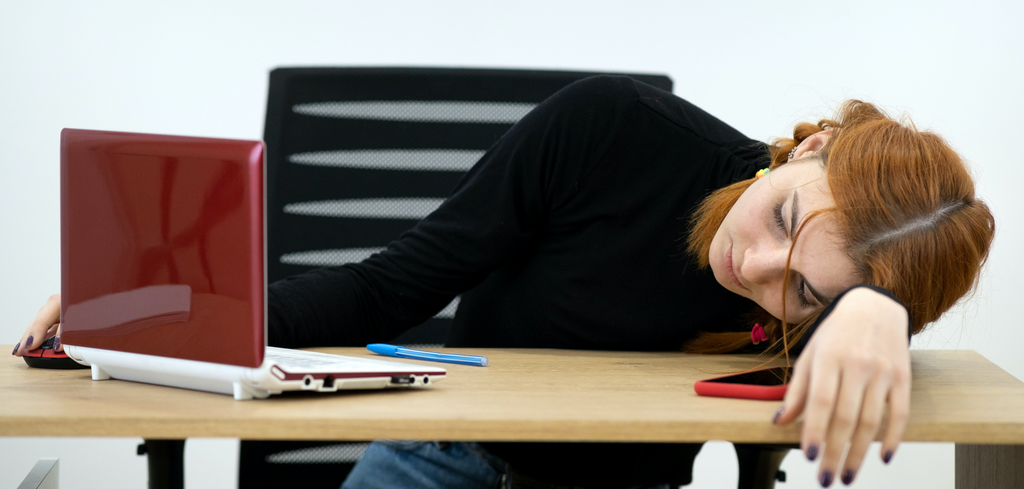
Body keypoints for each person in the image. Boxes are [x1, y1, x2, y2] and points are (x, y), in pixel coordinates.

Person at [14, 76, 994, 488]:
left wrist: (874, 310)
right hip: (442, 461)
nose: (758, 268)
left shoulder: (836, 313)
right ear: (809, 146)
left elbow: (847, 344)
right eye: (785, 219)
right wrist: (172, 310)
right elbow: (384, 290)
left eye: (807, 293)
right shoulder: (612, 131)